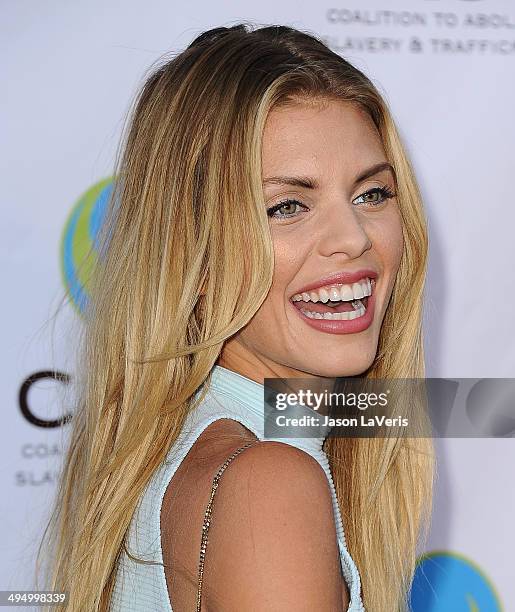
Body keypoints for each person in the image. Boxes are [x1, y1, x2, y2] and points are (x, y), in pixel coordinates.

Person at [37, 22, 435, 611]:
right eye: (288, 207)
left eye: (371, 194)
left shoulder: (194, 447)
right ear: (192, 248)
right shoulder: (267, 485)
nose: (352, 238)